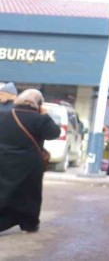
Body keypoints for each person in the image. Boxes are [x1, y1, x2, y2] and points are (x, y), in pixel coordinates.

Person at [0, 89, 60, 233]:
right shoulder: (40, 119)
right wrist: (45, 114)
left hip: (4, 160)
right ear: (38, 104)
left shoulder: (3, 115)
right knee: (30, 193)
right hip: (30, 163)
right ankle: (29, 223)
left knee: (4, 190)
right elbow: (54, 133)